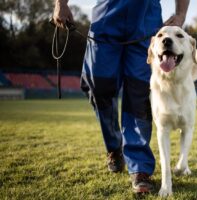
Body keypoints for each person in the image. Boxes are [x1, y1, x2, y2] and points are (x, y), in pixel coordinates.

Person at [53, 0, 189, 194]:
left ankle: (140, 168)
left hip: (145, 25)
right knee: (97, 87)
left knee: (139, 96)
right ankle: (114, 147)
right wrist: (60, 3)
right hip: (105, 22)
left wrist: (181, 14)